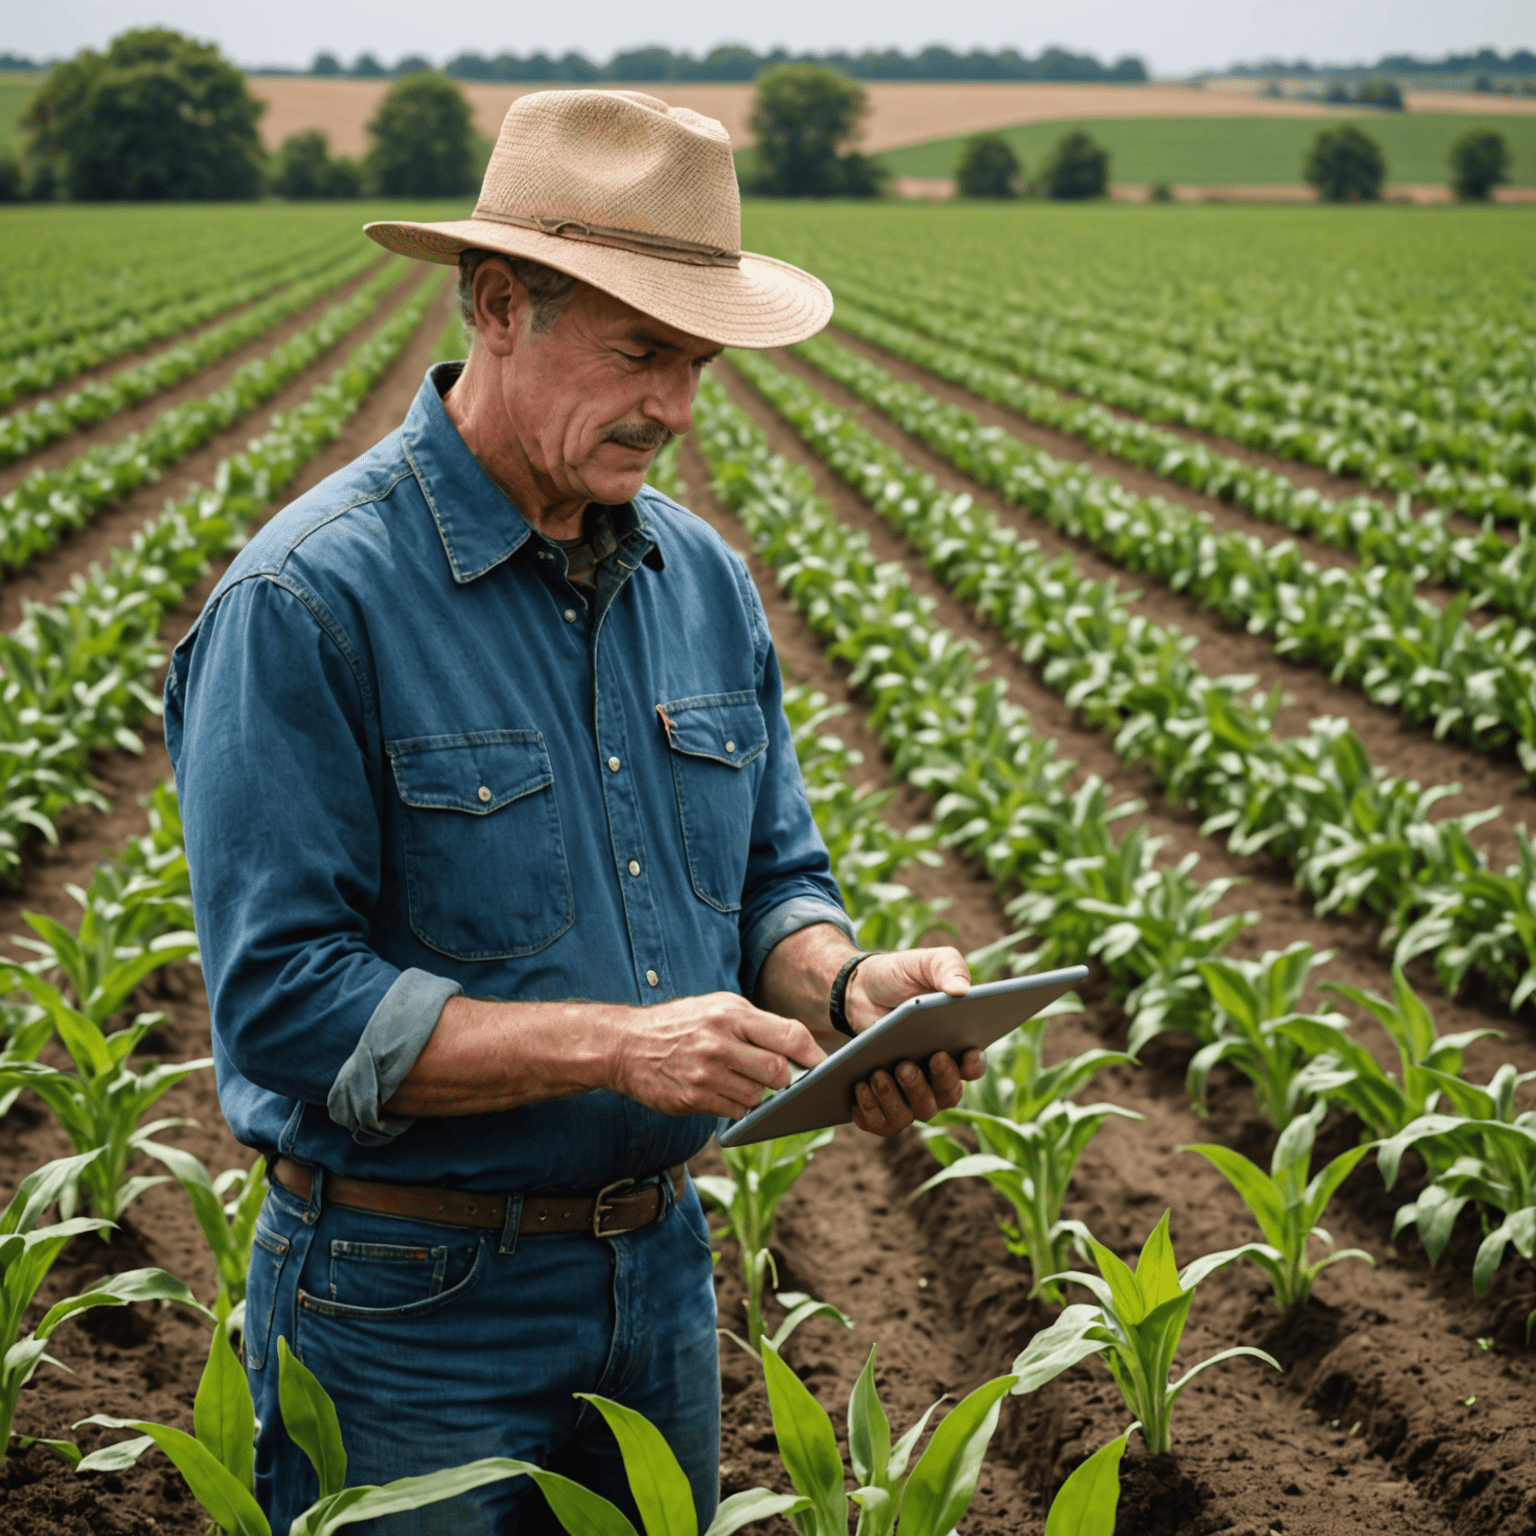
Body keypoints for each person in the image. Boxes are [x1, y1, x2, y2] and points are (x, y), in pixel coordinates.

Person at [165, 88, 983, 1534]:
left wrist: (850, 986)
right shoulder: (307, 603)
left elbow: (769, 881)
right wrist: (618, 1046)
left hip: (656, 1280)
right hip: (404, 1308)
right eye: (640, 352)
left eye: (698, 361)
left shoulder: (704, 583)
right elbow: (284, 1001)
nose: (674, 405)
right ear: (496, 304)